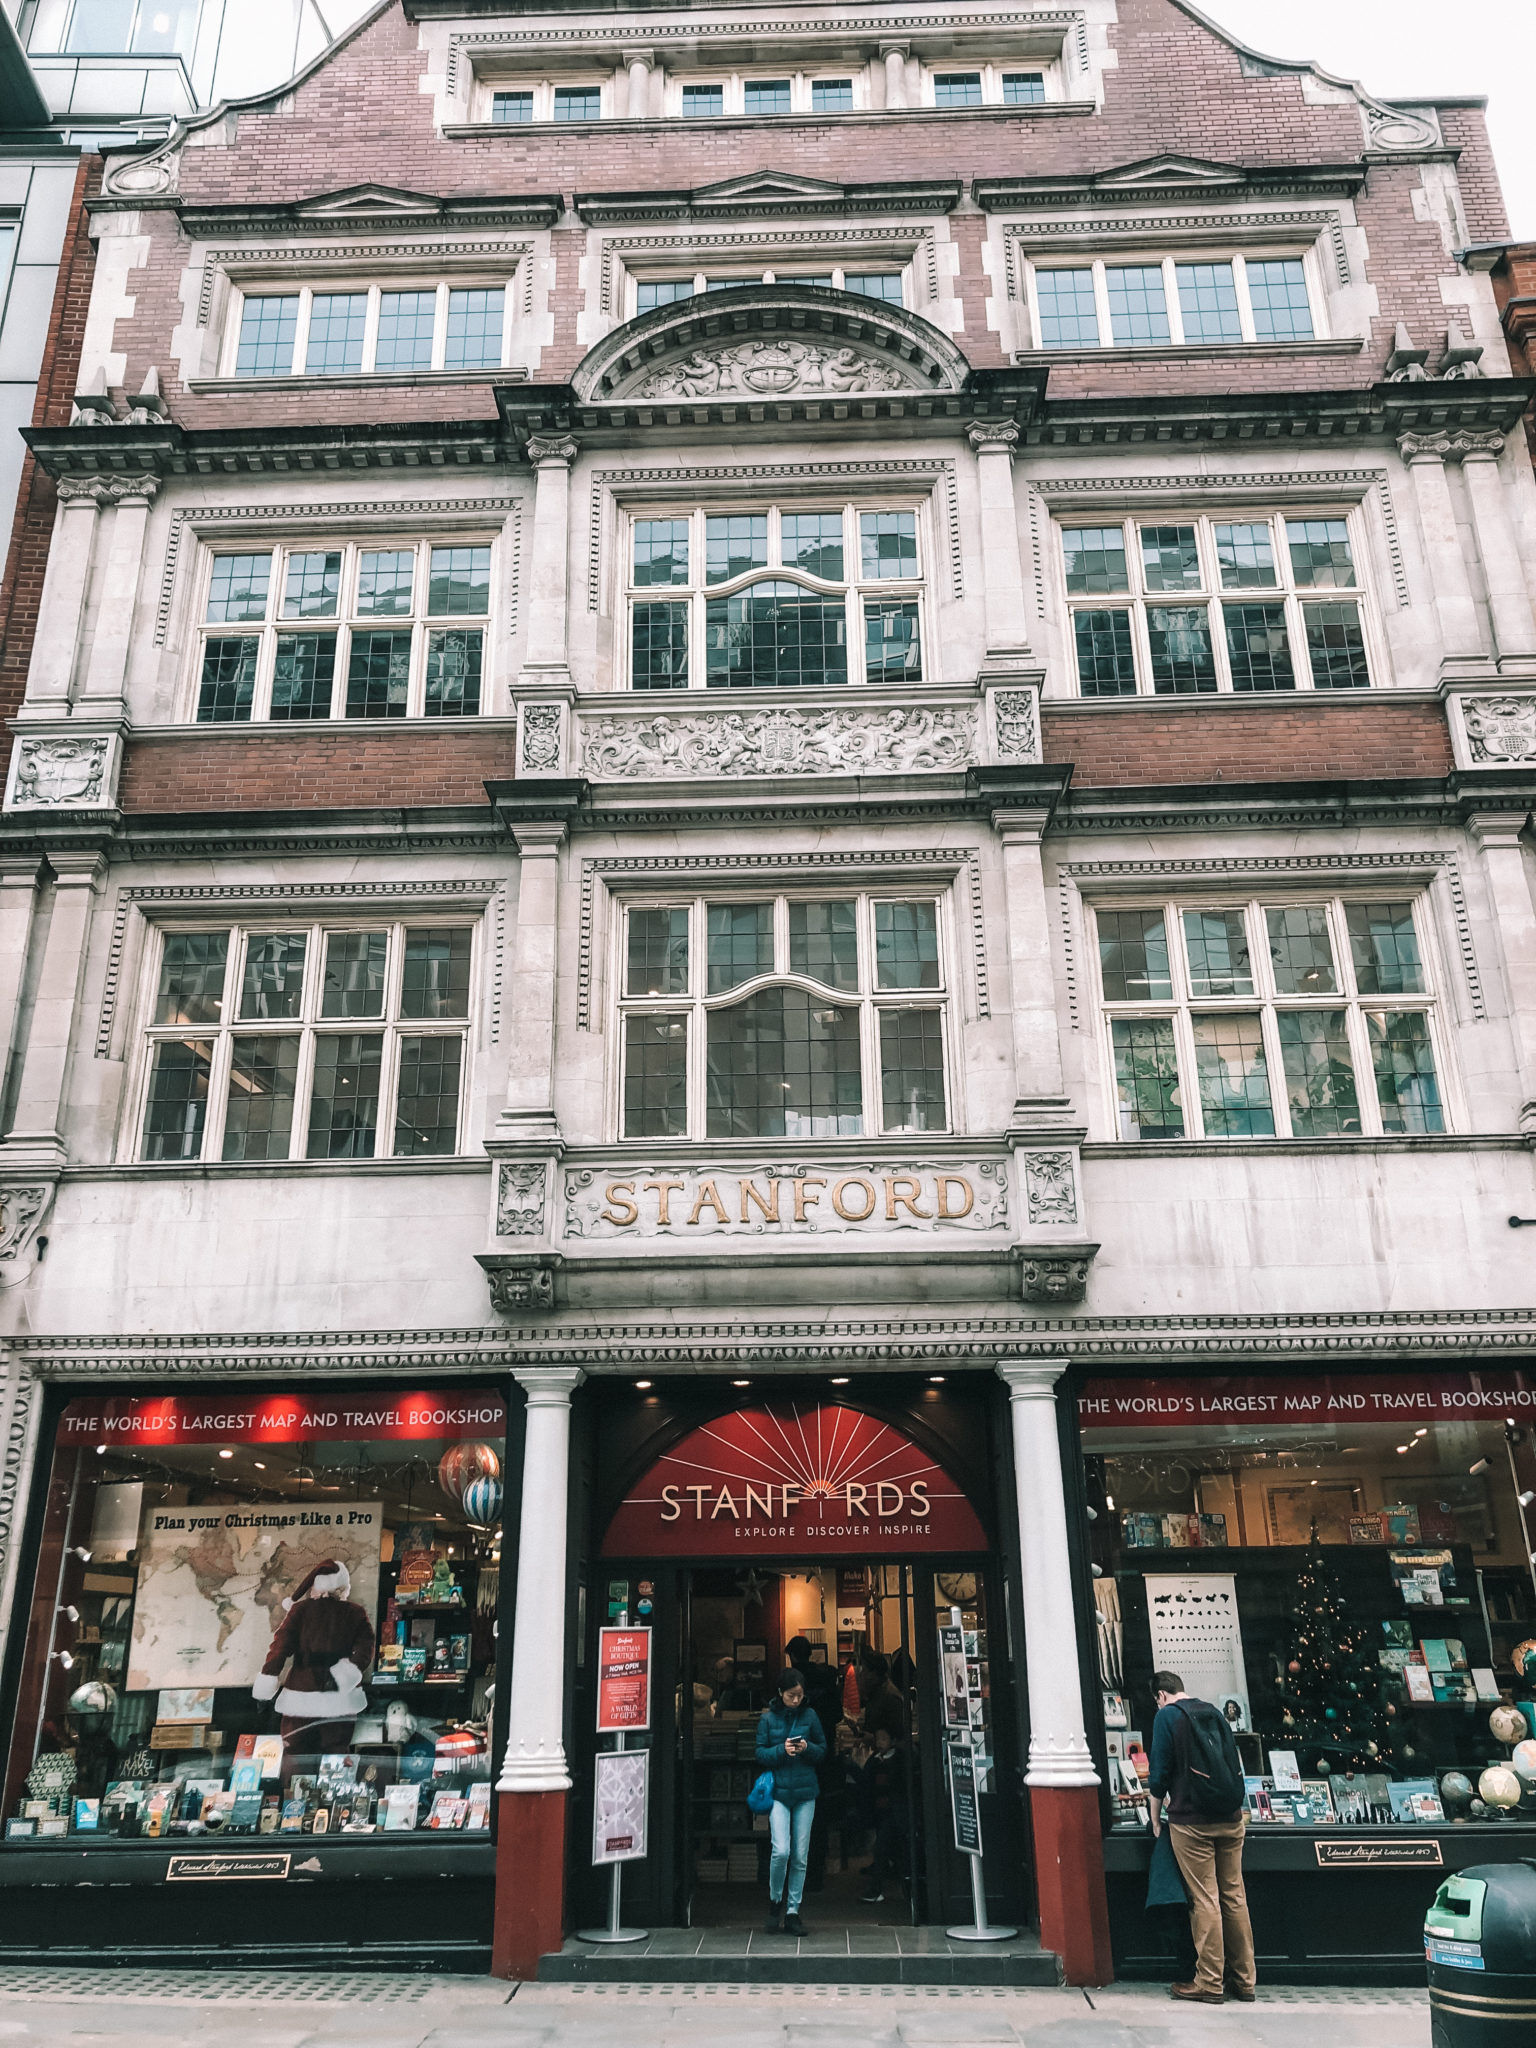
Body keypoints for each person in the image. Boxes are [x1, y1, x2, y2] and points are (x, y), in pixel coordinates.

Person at [1146, 1670, 1256, 2006]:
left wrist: (1154, 1815)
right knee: (1234, 1896)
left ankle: (1209, 1982)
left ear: (1161, 1695)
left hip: (1192, 1821)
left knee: (1204, 1898)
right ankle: (1245, 1980)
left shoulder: (1167, 1716)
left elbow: (1159, 1773)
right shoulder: (1213, 1712)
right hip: (1231, 1816)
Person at [755, 1667, 826, 1934]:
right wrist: (780, 1750)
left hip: (806, 1793)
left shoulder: (811, 1716)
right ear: (780, 1693)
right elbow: (759, 1753)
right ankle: (775, 1900)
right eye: (790, 1695)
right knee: (781, 1850)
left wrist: (808, 1748)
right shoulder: (767, 1719)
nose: (796, 1700)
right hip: (779, 1793)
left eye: (799, 1695)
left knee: (800, 1855)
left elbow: (823, 1750)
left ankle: (793, 1910)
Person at [785, 1635, 841, 1889]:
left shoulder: (792, 1681)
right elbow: (838, 1714)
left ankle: (799, 1874)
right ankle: (816, 1872)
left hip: (798, 1754)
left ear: (793, 1656)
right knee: (818, 1812)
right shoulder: (827, 1678)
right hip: (824, 1752)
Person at [855, 1724, 910, 1904]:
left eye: (884, 1739)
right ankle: (905, 1888)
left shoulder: (899, 1760)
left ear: (893, 1741)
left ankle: (878, 1888)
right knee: (892, 1850)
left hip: (895, 1812)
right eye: (878, 1739)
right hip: (880, 1812)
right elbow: (865, 1782)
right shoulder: (875, 1760)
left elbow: (900, 1785)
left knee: (882, 1849)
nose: (880, 1743)